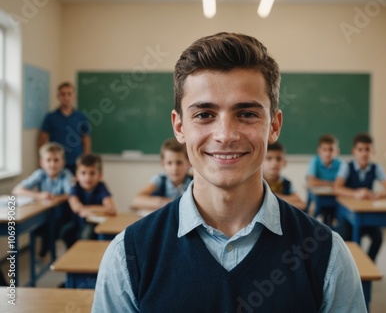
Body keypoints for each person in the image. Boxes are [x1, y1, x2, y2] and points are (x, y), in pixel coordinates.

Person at [92, 32, 366, 312]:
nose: (225, 135)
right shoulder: (128, 257)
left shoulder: (327, 255)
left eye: (246, 114)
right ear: (179, 127)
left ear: (274, 126)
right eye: (204, 114)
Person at [334, 133, 386, 261]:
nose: (364, 153)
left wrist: (376, 195)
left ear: (373, 151)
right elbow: (337, 188)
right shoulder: (347, 166)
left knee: (378, 238)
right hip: (348, 214)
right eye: (360, 150)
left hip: (366, 214)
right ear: (354, 151)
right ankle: (351, 267)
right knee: (347, 240)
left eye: (367, 149)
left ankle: (368, 265)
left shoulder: (376, 167)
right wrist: (356, 194)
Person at [12, 142, 73, 255]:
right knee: (41, 226)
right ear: (42, 163)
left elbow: (71, 194)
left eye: (56, 160)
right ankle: (45, 250)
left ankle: (52, 250)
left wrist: (57, 199)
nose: (52, 164)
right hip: (45, 215)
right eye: (48, 160)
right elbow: (17, 190)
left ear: (62, 162)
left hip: (63, 215)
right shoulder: (40, 174)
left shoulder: (66, 175)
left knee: (57, 227)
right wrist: (39, 195)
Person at [61, 154, 116, 247]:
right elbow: (76, 207)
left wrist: (86, 209)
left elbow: (111, 208)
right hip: (77, 223)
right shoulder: (75, 187)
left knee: (87, 234)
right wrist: (99, 208)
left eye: (92, 173)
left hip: (95, 224)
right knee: (65, 232)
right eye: (83, 173)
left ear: (100, 175)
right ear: (77, 175)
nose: (87, 177)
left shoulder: (101, 187)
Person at [38, 82, 91, 174]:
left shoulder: (81, 117)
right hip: (55, 164)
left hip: (76, 163)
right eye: (63, 94)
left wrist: (86, 162)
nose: (66, 97)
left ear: (74, 96)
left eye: (69, 94)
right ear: (58, 96)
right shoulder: (50, 117)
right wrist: (44, 160)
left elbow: (86, 141)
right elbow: (42, 139)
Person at [131, 138, 192, 213]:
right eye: (169, 163)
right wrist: (166, 203)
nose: (174, 168)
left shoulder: (194, 182)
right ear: (163, 164)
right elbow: (136, 200)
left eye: (179, 163)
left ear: (189, 163)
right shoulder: (160, 180)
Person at [306, 134, 344, 222]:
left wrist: (320, 182)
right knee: (322, 215)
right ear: (319, 151)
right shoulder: (314, 161)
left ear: (337, 151)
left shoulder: (341, 164)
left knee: (336, 214)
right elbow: (311, 182)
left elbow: (342, 184)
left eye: (331, 150)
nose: (327, 153)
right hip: (320, 197)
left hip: (335, 198)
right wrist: (332, 184)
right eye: (324, 150)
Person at [263, 141, 306, 210]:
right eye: (269, 158)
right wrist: (286, 199)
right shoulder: (257, 182)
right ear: (261, 161)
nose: (274, 163)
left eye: (278, 159)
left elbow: (301, 204)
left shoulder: (286, 183)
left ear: (284, 163)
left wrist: (277, 198)